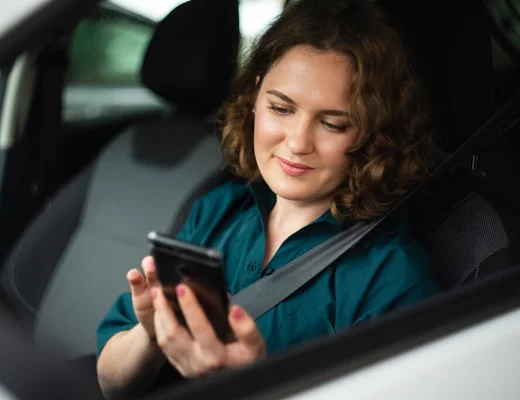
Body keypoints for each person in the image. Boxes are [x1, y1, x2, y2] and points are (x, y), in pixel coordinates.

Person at [96, 0, 442, 396]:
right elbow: (110, 381)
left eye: (332, 123)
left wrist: (253, 383)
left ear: (375, 133)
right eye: (281, 108)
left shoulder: (392, 278)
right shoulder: (219, 210)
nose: (296, 143)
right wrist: (153, 334)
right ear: (256, 94)